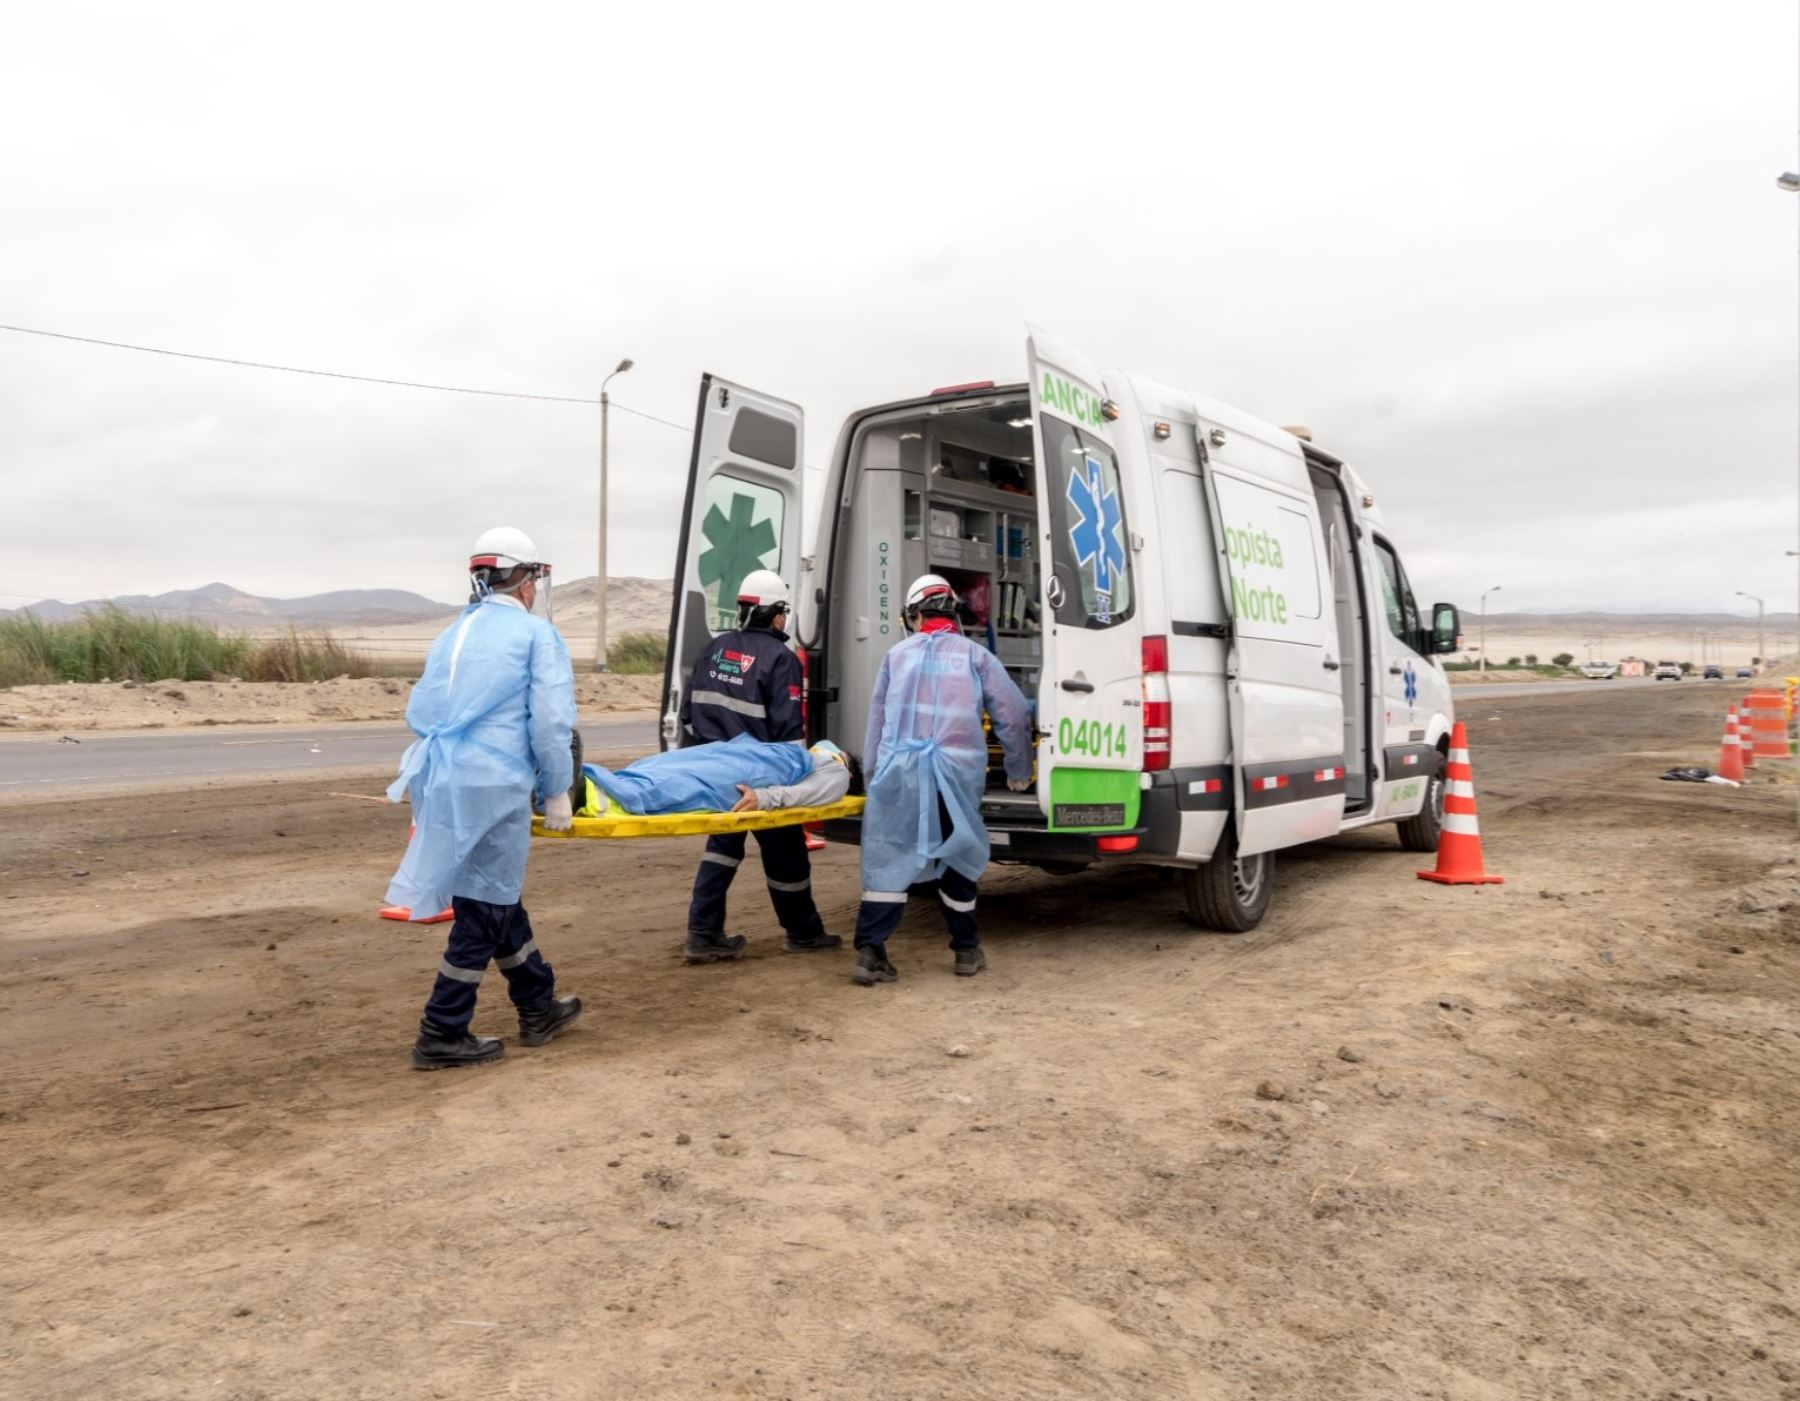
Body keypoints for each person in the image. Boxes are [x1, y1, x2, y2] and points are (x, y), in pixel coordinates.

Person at [386, 526, 584, 1070]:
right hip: (494, 783)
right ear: (526, 580)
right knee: (486, 907)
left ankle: (537, 1002)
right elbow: (550, 722)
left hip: (443, 780)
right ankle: (442, 1030)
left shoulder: (453, 634)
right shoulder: (536, 637)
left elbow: (424, 710)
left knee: (491, 895)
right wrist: (556, 790)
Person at [851, 574, 1033, 985]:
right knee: (957, 854)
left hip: (900, 773)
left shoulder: (895, 656)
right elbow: (1015, 713)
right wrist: (1019, 771)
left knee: (889, 858)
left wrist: (873, 777)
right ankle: (966, 950)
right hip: (956, 774)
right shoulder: (975, 656)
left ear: (915, 615)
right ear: (953, 612)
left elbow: (877, 722)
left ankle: (870, 952)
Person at [679, 569, 840, 963]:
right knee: (786, 851)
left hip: (714, 770)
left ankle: (703, 933)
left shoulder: (712, 650)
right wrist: (801, 781)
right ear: (777, 615)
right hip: (761, 775)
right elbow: (788, 734)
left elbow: (687, 715)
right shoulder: (780, 659)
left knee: (721, 849)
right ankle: (802, 932)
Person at [578, 736, 851, 817]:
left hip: (751, 769)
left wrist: (763, 798)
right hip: (747, 762)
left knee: (679, 777)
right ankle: (585, 784)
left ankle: (583, 787)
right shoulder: (828, 764)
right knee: (670, 771)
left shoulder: (837, 771)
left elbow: (803, 794)